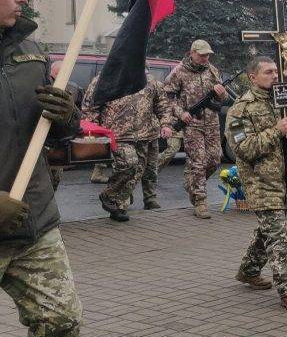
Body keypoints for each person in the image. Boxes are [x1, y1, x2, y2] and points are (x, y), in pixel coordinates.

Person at [0, 0, 83, 337]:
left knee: (61, 323)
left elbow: (52, 133)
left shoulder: (30, 54)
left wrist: (67, 115)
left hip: (33, 224)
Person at [225, 56, 287, 311]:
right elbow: (243, 148)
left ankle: (249, 269)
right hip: (261, 183)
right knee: (280, 238)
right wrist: (276, 130)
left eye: (276, 71)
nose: (274, 76)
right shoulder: (241, 109)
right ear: (252, 77)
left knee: (269, 231)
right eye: (268, 72)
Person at [82, 74, 174, 220]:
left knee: (137, 171)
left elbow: (163, 104)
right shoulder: (106, 77)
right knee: (129, 164)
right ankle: (111, 198)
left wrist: (166, 124)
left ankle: (116, 205)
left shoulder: (149, 80)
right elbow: (90, 106)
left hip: (143, 135)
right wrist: (93, 129)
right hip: (116, 134)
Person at [163, 40, 228, 219]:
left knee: (215, 159)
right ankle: (200, 201)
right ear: (191, 52)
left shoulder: (212, 70)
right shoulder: (178, 72)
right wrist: (180, 112)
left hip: (212, 123)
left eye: (207, 55)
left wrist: (222, 93)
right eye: (201, 55)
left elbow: (223, 96)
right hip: (192, 124)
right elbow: (166, 97)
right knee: (197, 162)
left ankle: (191, 183)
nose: (205, 58)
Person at [46, 61, 82, 191]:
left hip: (59, 141)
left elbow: (78, 114)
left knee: (54, 180)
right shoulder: (45, 86)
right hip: (45, 140)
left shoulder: (74, 90)